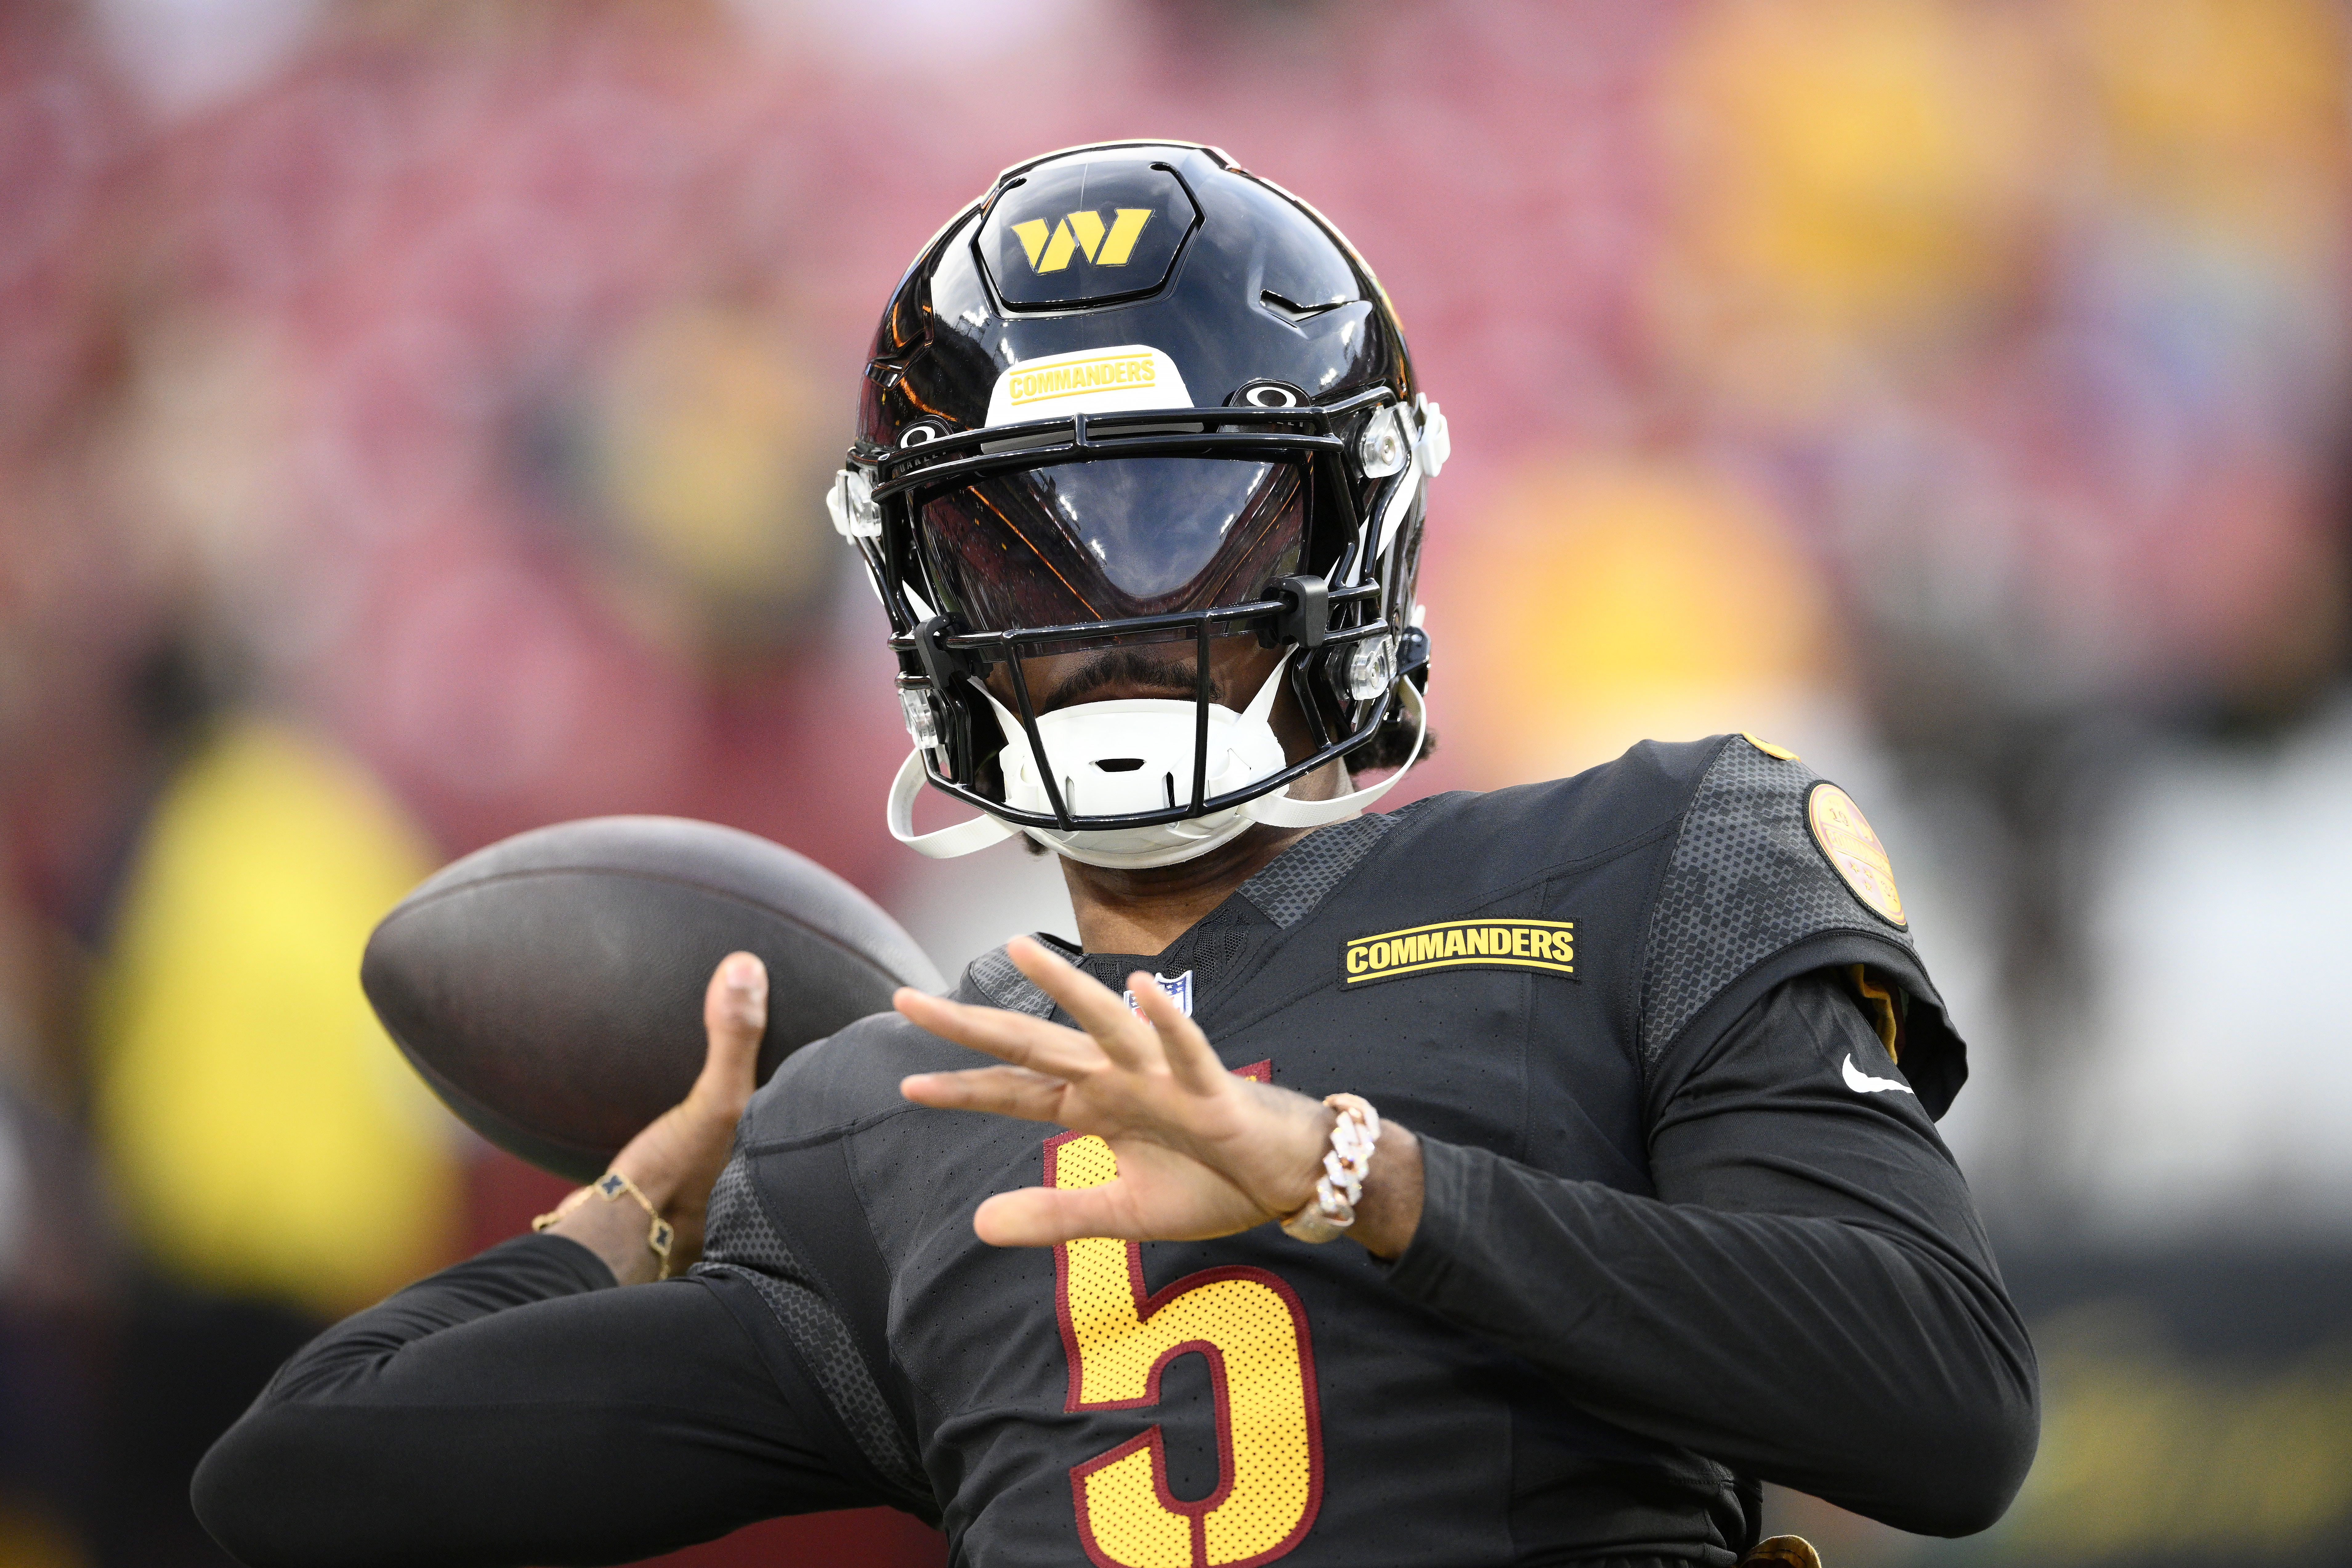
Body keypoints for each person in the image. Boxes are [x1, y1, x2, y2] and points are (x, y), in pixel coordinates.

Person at [193, 141, 2037, 1568]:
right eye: (1020, 551)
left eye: (1185, 520)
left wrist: (1350, 1182)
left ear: (1353, 528)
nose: (1116, 618)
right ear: (919, 592)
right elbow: (296, 1474)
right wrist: (631, 1215)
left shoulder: (1653, 850)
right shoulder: (874, 1122)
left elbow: (1942, 1411)